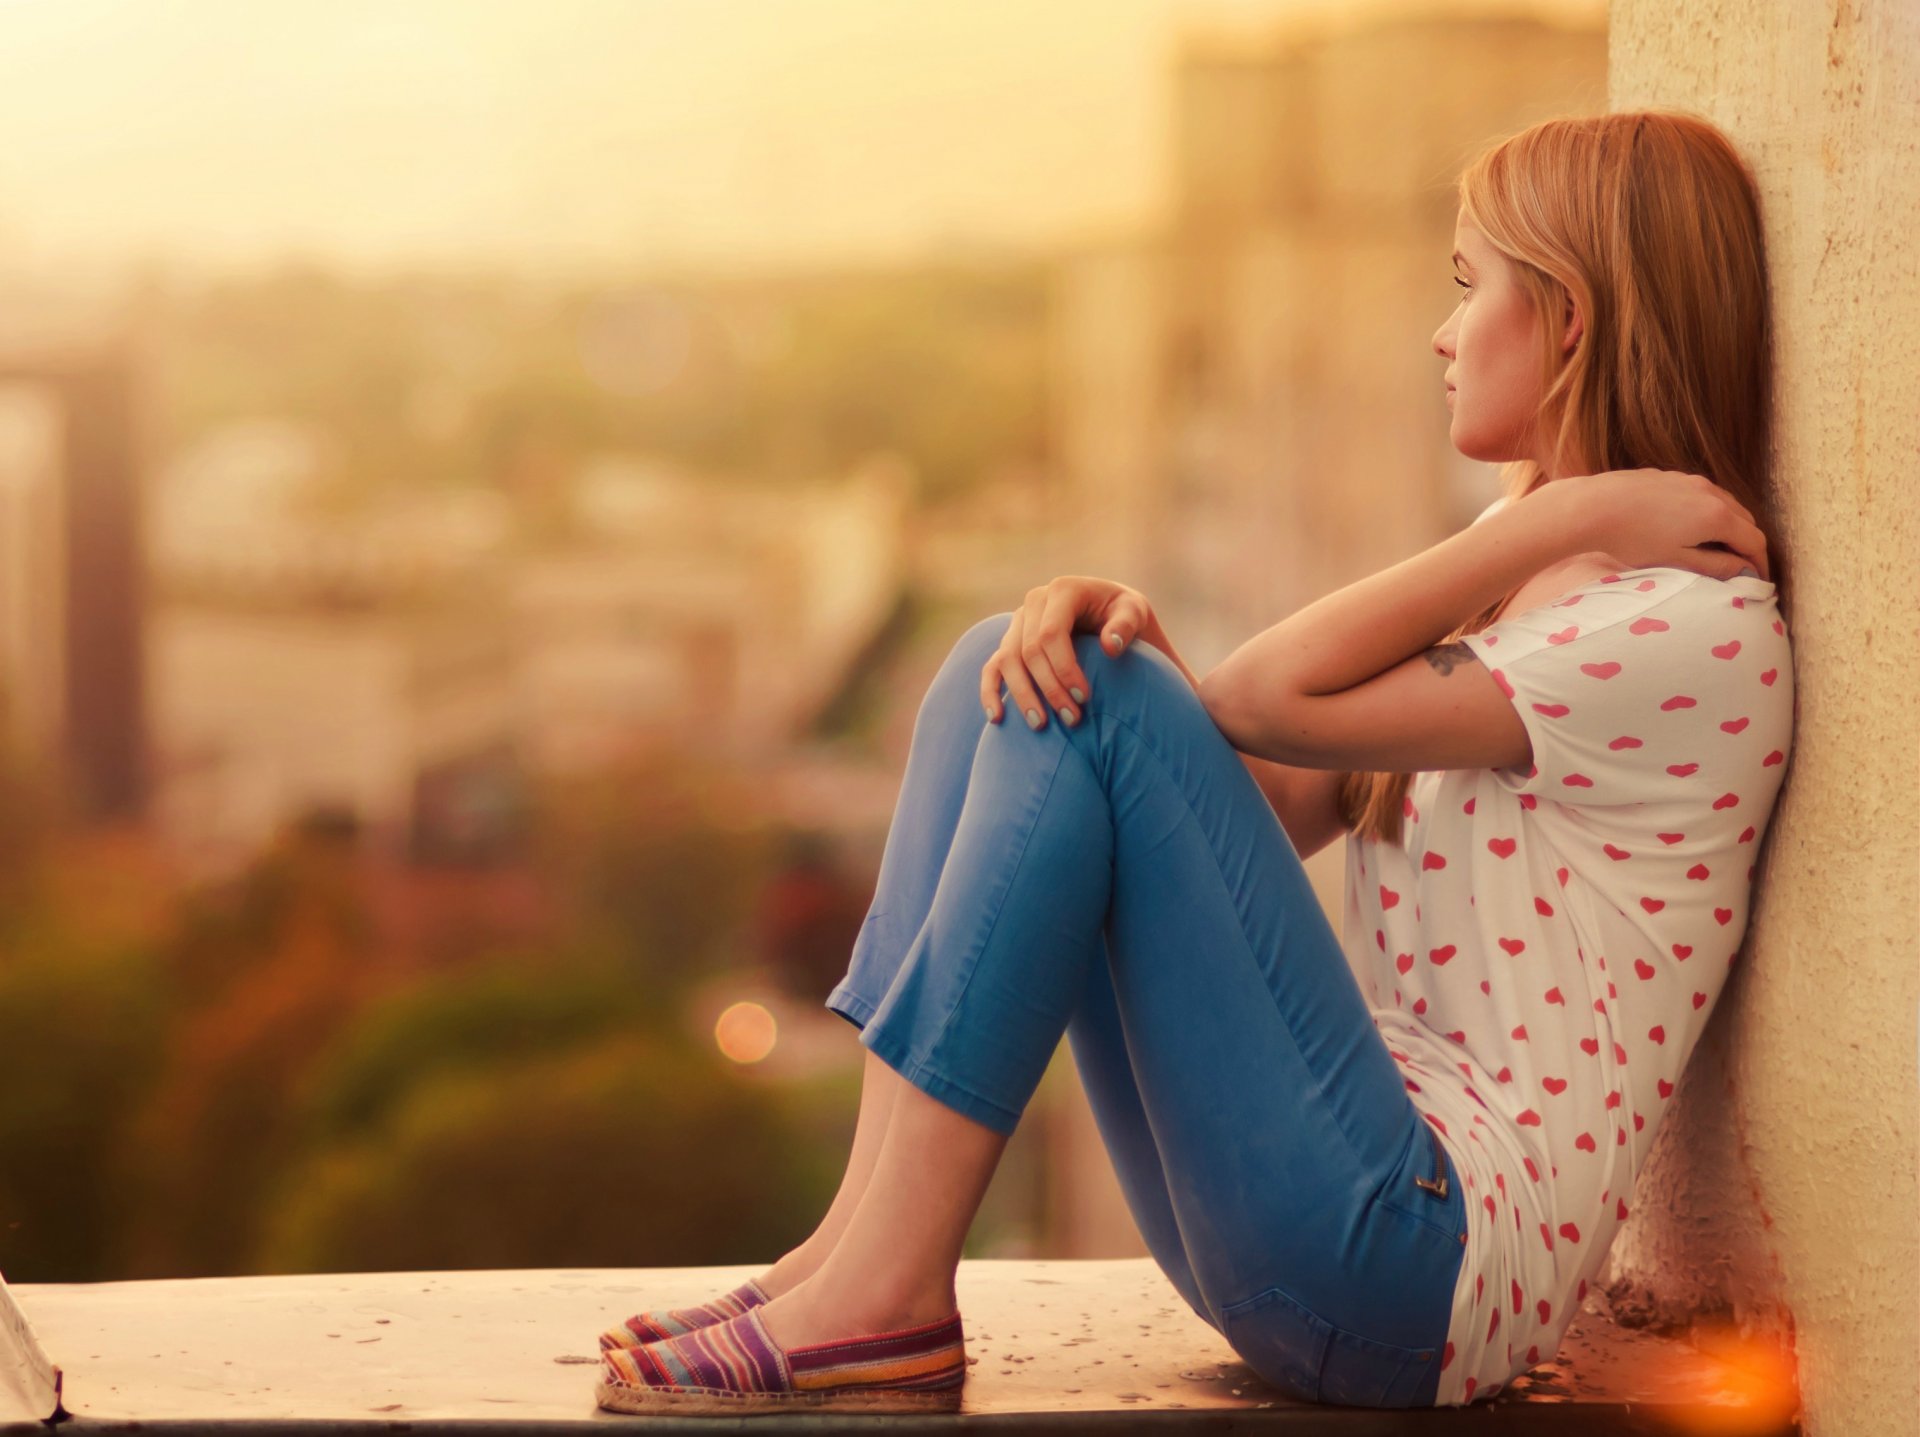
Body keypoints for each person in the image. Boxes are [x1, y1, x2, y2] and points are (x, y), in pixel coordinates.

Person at [593, 107, 1794, 1416]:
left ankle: (881, 1302)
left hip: (1414, 1265)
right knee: (1004, 663)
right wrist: (1111, 654)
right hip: (1322, 1212)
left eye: (1469, 287)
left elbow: (1262, 699)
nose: (1443, 337)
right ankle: (850, 1258)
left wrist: (1561, 512)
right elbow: (1254, 801)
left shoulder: (1682, 627)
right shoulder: (1543, 604)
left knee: (1083, 686)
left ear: (1568, 319)